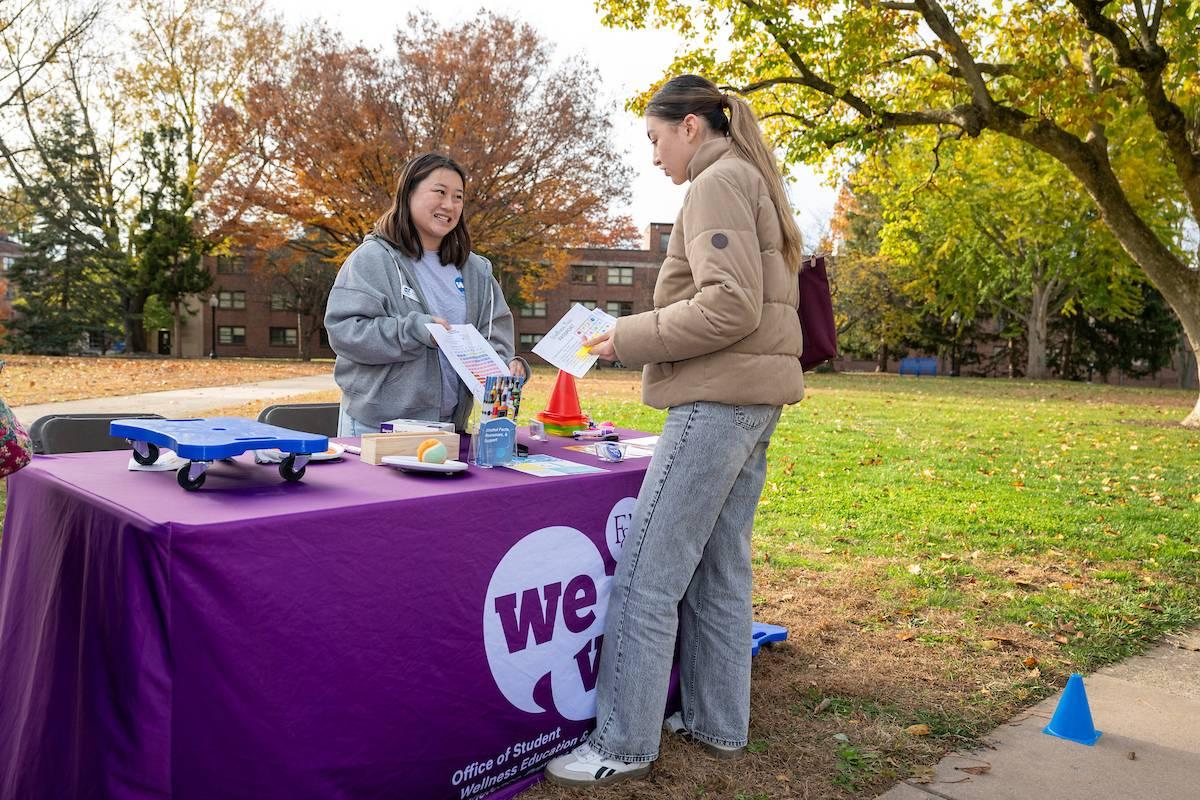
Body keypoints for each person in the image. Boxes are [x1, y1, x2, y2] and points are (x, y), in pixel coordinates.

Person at [544, 74, 806, 787]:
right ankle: (718, 724)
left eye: (655, 139)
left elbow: (729, 307)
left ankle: (622, 743)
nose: (655, 157)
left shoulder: (718, 183)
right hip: (753, 400)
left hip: (717, 401)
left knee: (647, 578)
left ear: (690, 126)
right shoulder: (753, 178)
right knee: (721, 571)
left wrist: (622, 336)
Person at [324, 153, 528, 436]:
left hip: (451, 429)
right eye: (440, 192)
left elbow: (495, 341)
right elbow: (345, 332)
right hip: (378, 427)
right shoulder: (372, 259)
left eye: (458, 197)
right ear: (408, 193)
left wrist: (508, 368)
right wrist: (416, 331)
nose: (450, 205)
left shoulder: (477, 271)